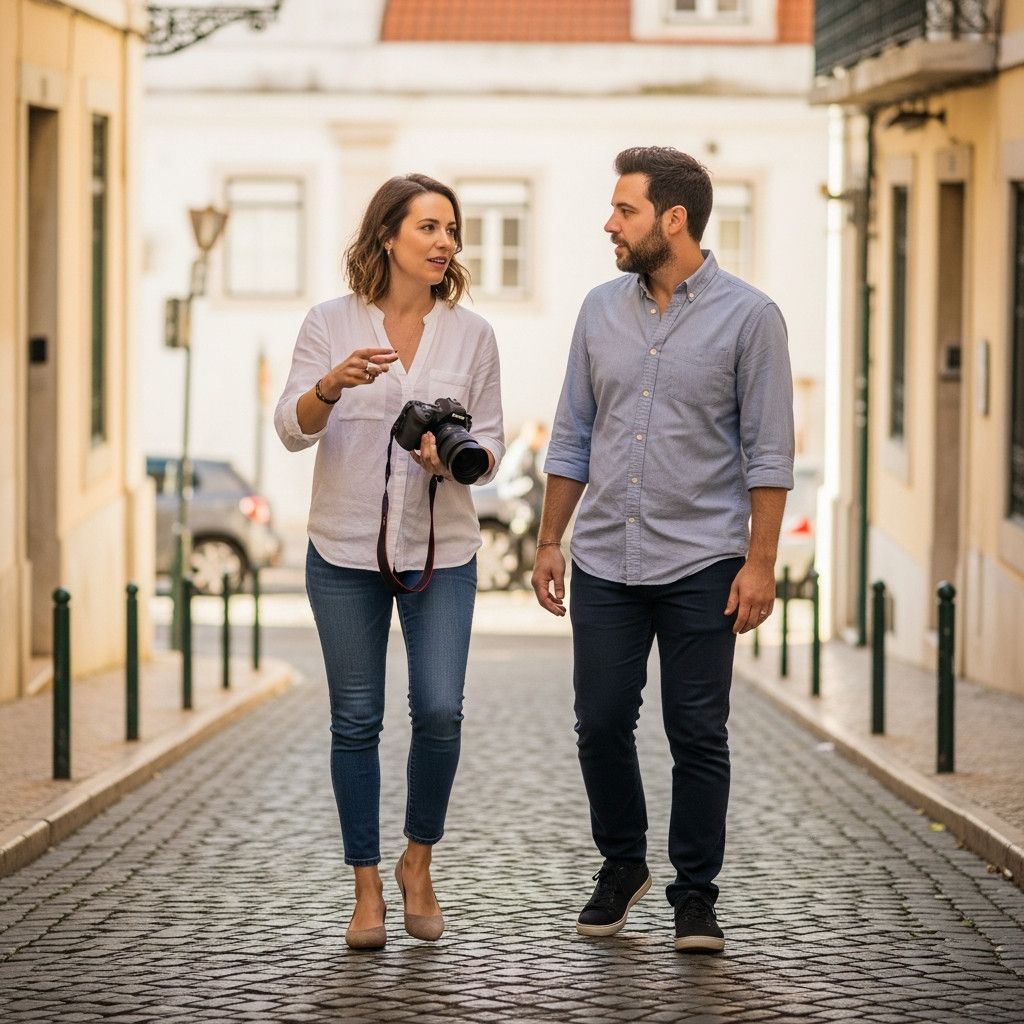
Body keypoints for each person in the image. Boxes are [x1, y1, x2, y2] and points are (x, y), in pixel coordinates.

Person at [531, 147, 794, 954]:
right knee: (600, 723)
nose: (609, 224)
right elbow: (572, 432)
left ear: (673, 220)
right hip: (607, 553)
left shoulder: (752, 318)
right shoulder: (597, 310)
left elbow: (769, 451)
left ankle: (696, 895)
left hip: (704, 561)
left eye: (626, 210)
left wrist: (761, 561)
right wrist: (549, 539)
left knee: (697, 731)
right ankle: (622, 865)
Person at [275, 174, 504, 950]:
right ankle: (366, 888)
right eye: (429, 228)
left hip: (443, 552)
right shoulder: (329, 322)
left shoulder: (471, 335)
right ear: (387, 237)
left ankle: (419, 861)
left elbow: (495, 444)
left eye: (452, 230)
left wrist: (455, 462)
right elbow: (290, 428)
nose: (445, 242)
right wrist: (330, 386)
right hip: (341, 553)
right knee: (356, 720)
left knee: (439, 711)